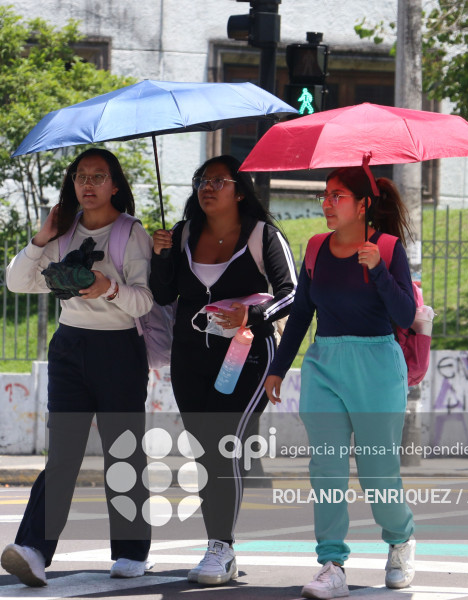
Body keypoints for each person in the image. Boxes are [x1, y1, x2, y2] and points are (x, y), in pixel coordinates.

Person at [2, 148, 153, 586]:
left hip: (120, 350)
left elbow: (145, 301)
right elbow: (17, 283)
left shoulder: (131, 233)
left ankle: (131, 550)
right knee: (63, 454)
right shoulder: (62, 235)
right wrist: (41, 238)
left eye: (98, 176)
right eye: (81, 176)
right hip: (69, 348)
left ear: (115, 186)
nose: (88, 184)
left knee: (123, 451)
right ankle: (32, 549)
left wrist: (108, 289)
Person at [264, 167, 417, 599]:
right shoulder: (315, 248)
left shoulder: (386, 248)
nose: (328, 203)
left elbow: (405, 317)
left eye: (338, 195)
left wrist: (379, 271)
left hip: (377, 368)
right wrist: (278, 366)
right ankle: (331, 565)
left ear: (363, 204)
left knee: (376, 472)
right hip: (325, 364)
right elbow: (301, 314)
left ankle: (400, 540)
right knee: (326, 469)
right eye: (325, 196)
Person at [149, 155, 297, 586]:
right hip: (190, 356)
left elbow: (293, 294)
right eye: (201, 180)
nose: (206, 187)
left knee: (224, 444)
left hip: (248, 356)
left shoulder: (263, 235)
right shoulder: (183, 234)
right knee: (206, 450)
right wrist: (161, 255)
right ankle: (219, 545)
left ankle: (221, 547)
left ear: (240, 190)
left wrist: (251, 316)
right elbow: (162, 295)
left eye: (217, 180)